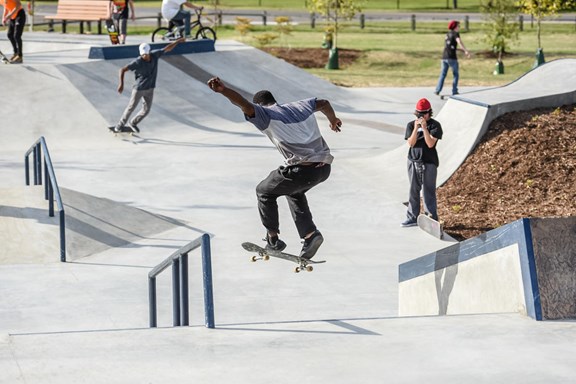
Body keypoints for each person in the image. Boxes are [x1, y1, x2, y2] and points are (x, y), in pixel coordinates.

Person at [207, 77, 342, 260]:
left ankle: (273, 239)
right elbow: (324, 103)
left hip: (302, 170)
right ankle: (311, 235)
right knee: (294, 192)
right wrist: (333, 120)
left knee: (264, 191)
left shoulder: (264, 114)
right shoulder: (299, 106)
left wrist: (223, 90)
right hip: (324, 168)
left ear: (260, 105)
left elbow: (243, 104)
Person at [113, 38, 184, 133]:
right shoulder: (138, 61)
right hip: (139, 89)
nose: (145, 56)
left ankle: (133, 123)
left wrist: (178, 41)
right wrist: (121, 84)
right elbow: (122, 70)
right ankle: (119, 125)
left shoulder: (155, 55)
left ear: (149, 52)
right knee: (131, 107)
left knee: (146, 110)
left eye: (146, 54)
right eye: (143, 55)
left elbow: (167, 48)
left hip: (150, 88)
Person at [402, 98, 443, 227]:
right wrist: (416, 129)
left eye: (424, 114)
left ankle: (431, 217)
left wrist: (424, 129)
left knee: (428, 191)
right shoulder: (411, 125)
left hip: (429, 162)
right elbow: (410, 143)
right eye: (419, 114)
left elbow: (430, 144)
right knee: (413, 190)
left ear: (429, 113)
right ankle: (412, 217)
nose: (421, 117)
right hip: (413, 161)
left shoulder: (434, 125)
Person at [434, 20, 470, 96]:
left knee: (443, 74)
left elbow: (450, 47)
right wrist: (465, 50)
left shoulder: (447, 34)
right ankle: (454, 91)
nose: (459, 27)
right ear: (455, 27)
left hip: (444, 57)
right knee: (456, 74)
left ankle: (437, 90)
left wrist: (461, 50)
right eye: (458, 26)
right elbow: (459, 41)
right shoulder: (456, 34)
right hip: (452, 58)